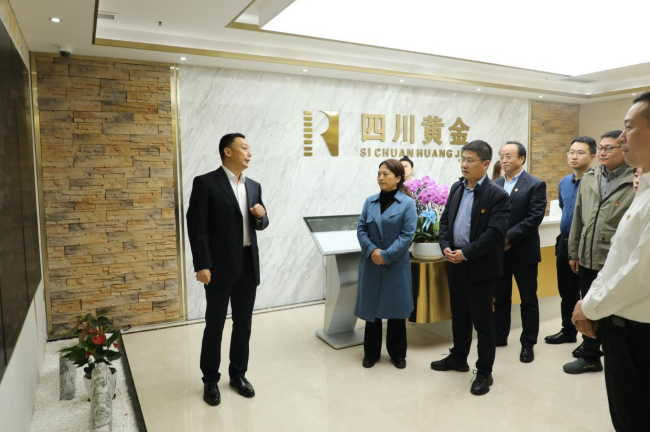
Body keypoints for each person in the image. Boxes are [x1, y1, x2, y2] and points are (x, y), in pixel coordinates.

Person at [571, 91, 650, 431]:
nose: (621, 138)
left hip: (639, 336)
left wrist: (589, 307)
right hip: (621, 326)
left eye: (629, 127)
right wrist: (590, 303)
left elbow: (640, 273)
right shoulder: (644, 189)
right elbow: (619, 256)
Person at [186, 133, 269, 407]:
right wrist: (202, 264)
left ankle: (238, 375)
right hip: (219, 268)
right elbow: (197, 226)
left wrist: (261, 216)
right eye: (244, 147)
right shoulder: (206, 183)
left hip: (248, 264)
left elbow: (261, 222)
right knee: (215, 324)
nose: (249, 153)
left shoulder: (254, 186)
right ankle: (210, 379)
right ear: (228, 151)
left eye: (250, 148)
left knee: (243, 324)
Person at [430, 140, 510, 396]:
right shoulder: (457, 187)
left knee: (483, 322)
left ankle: (484, 371)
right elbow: (445, 221)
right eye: (462, 159)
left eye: (470, 160)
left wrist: (465, 253)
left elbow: (494, 234)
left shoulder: (497, 195)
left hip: (481, 267)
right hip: (455, 264)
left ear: (485, 164)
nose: (464, 165)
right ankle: (458, 357)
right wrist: (445, 247)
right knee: (460, 315)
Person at [564, 130, 635, 375]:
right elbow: (578, 218)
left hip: (616, 259)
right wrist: (574, 252)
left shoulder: (635, 180)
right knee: (589, 306)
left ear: (623, 150)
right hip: (588, 255)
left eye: (609, 148)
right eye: (601, 148)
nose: (603, 153)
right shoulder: (590, 178)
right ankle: (590, 356)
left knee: (615, 312)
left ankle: (616, 356)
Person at [356, 159, 417, 369]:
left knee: (396, 311)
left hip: (395, 264)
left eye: (386, 174)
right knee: (371, 310)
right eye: (379, 173)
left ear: (398, 178)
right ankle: (371, 353)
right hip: (372, 262)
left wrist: (387, 255)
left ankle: (397, 354)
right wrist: (373, 251)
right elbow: (361, 230)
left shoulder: (407, 203)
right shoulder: (370, 201)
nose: (380, 178)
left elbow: (407, 235)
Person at [493, 141, 547, 363]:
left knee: (528, 299)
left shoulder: (534, 184)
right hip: (499, 252)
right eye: (502, 156)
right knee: (501, 297)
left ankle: (528, 343)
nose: (504, 160)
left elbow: (534, 218)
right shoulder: (495, 184)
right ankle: (499, 335)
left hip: (524, 252)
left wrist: (508, 238)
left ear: (521, 159)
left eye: (509, 156)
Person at [545, 137, 596, 345]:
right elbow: (564, 208)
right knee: (567, 291)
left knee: (587, 293)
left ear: (592, 157)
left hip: (586, 246)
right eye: (571, 152)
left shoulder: (596, 182)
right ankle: (568, 330)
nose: (574, 157)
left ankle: (589, 340)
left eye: (580, 153)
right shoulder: (564, 182)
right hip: (564, 244)